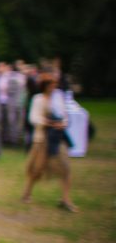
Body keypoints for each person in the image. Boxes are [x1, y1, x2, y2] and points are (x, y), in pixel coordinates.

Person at [22, 73, 77, 212]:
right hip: (42, 140)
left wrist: (62, 124)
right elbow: (33, 118)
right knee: (36, 170)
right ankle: (27, 193)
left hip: (57, 139)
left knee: (66, 168)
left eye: (54, 84)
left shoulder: (58, 99)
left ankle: (65, 199)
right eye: (51, 84)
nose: (53, 87)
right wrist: (48, 122)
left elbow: (65, 116)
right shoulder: (38, 99)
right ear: (45, 86)